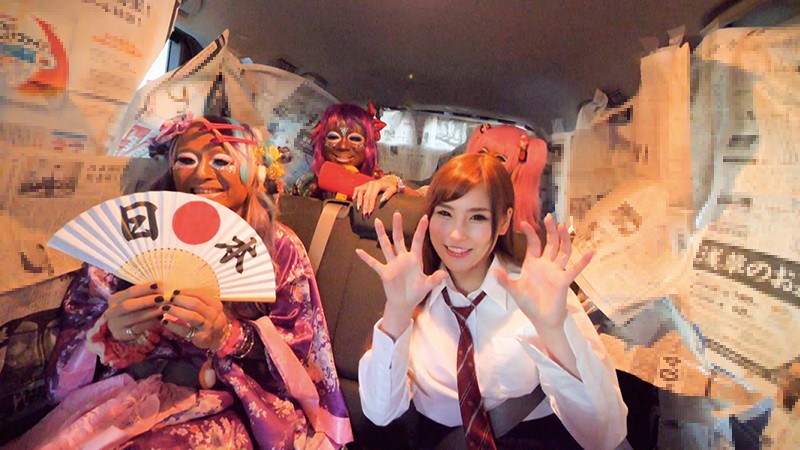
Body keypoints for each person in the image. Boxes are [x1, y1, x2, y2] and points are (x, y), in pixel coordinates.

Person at [10, 115, 353, 449]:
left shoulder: (278, 247)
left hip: (231, 402)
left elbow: (299, 357)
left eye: (221, 161)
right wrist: (110, 335)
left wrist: (230, 336)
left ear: (253, 172)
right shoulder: (132, 232)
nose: (201, 174)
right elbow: (65, 365)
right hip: (127, 394)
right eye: (186, 160)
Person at [356, 153, 627, 449]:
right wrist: (396, 312)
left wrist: (553, 331)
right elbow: (380, 412)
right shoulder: (415, 294)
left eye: (477, 217)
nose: (456, 234)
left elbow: (605, 433)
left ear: (504, 221)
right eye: (445, 213)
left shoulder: (537, 293)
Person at [293, 102, 420, 215]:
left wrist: (396, 186)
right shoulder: (307, 185)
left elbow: (420, 206)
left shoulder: (378, 184)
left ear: (368, 146)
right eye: (333, 137)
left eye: (354, 139)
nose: (343, 146)